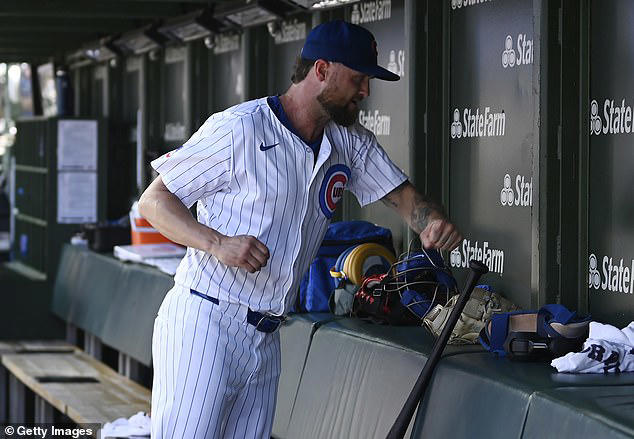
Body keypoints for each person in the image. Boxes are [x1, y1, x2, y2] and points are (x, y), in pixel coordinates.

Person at [139, 20, 462, 439]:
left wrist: (432, 223)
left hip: (268, 334)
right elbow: (154, 201)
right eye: (358, 78)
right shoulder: (241, 127)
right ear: (322, 70)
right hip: (207, 320)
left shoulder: (348, 141)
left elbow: (407, 203)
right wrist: (216, 242)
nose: (365, 91)